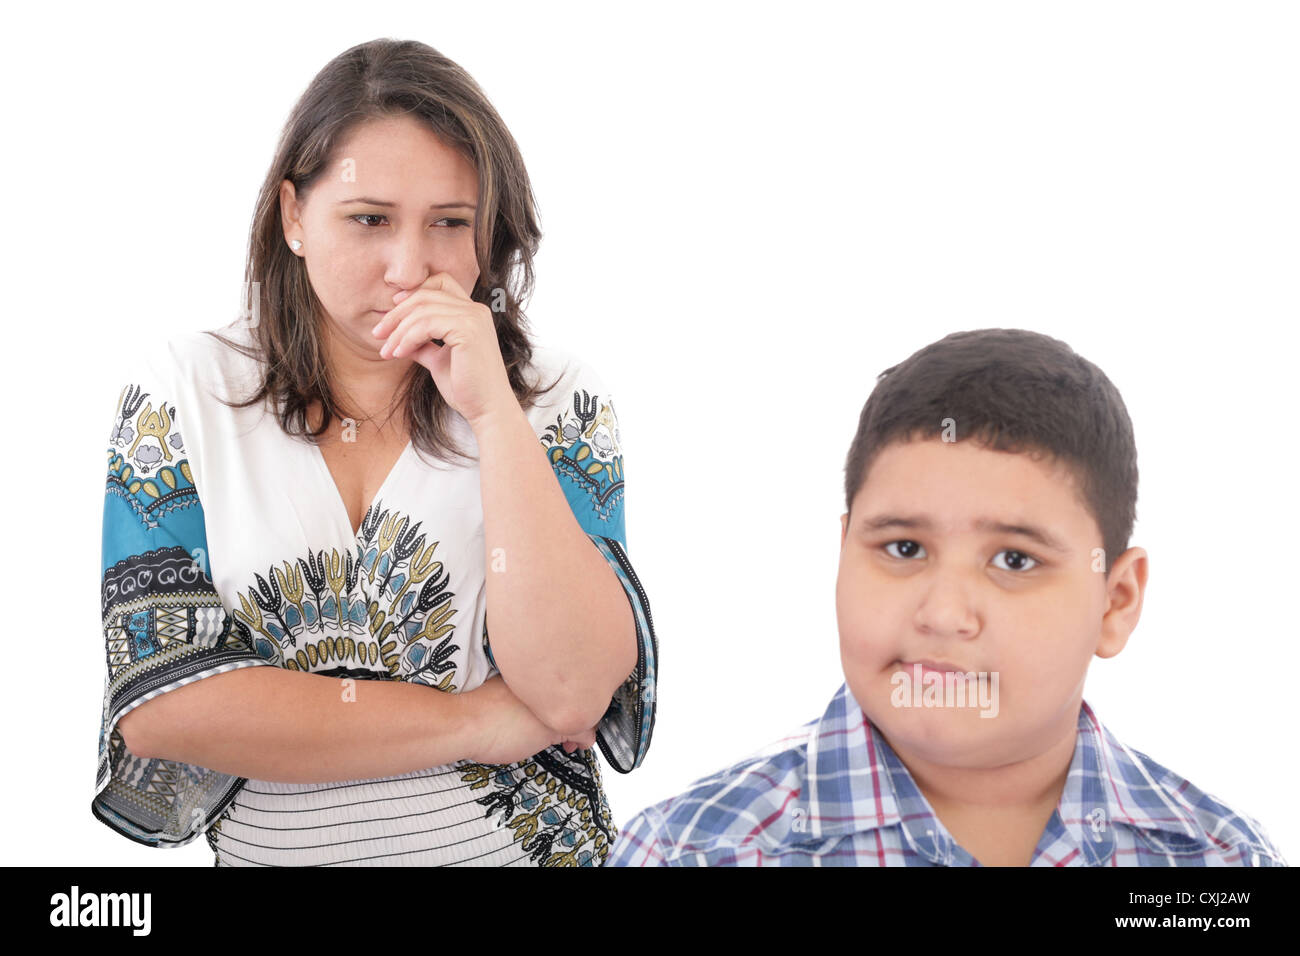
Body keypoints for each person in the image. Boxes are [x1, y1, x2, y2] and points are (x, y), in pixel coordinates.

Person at [93, 38, 657, 867]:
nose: (409, 268)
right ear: (293, 217)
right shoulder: (185, 393)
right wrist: (479, 720)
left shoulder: (553, 398)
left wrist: (493, 411)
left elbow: (573, 688)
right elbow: (166, 703)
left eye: (450, 225)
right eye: (369, 220)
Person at [608, 328, 1283, 867]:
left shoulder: (1222, 862)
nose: (942, 613)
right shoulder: (688, 852)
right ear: (844, 555)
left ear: (1116, 602)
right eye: (903, 548)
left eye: (1015, 559)